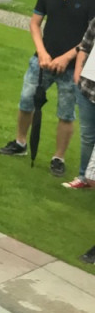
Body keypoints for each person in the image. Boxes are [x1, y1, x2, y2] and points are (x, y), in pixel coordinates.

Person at [0, 0, 95, 177]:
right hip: (41, 62)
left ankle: (58, 158)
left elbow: (90, 37)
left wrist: (66, 57)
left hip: (71, 68)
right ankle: (20, 143)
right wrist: (42, 52)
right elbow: (35, 24)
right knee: (26, 102)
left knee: (66, 113)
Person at [68, 19, 95, 189]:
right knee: (87, 137)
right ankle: (83, 176)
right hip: (88, 89)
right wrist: (77, 75)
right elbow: (84, 47)